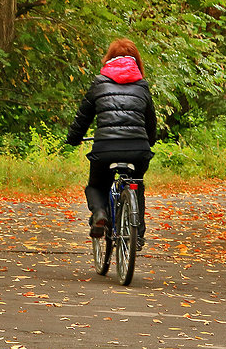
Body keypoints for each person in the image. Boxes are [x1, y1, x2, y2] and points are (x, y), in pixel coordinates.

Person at [65, 39, 157, 248]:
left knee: (97, 185)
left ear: (108, 58)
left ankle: (99, 213)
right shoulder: (142, 86)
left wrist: (73, 138)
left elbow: (83, 117)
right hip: (138, 150)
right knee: (137, 184)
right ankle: (138, 235)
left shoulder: (99, 83)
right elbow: (151, 121)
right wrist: (149, 141)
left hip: (106, 149)